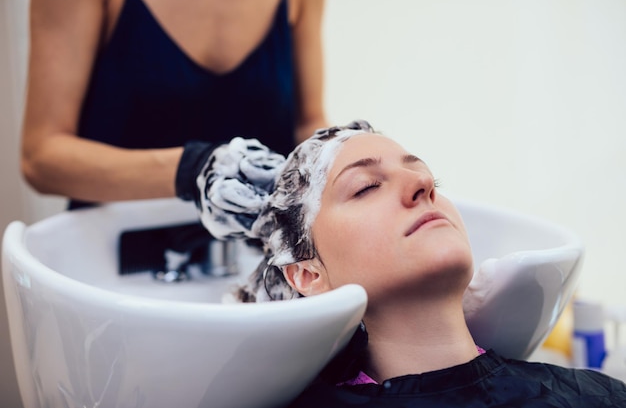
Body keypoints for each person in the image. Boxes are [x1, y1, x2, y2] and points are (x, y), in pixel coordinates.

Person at [195, 120, 626, 407]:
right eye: (365, 187)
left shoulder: (598, 396)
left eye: (429, 177)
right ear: (308, 274)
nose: (422, 184)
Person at [20, 0, 326, 210]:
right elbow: (40, 158)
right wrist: (194, 169)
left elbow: (307, 122)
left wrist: (345, 158)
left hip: (259, 260)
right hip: (117, 257)